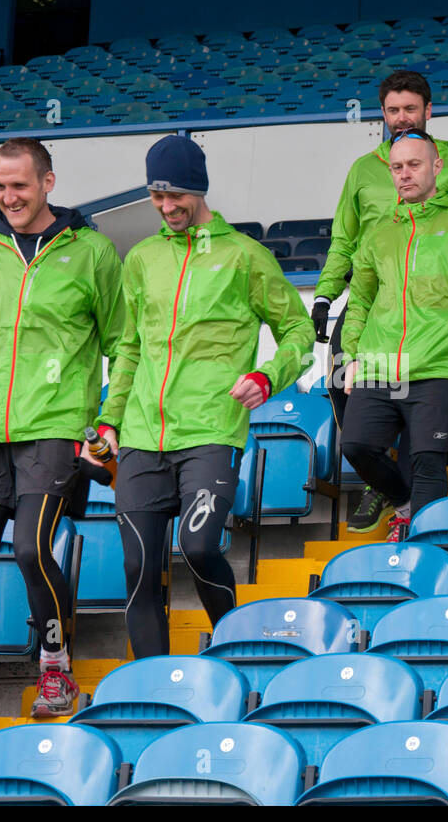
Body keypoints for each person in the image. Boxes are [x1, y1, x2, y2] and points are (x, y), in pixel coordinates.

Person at [0, 137, 127, 748]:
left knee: (32, 551)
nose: (9, 197)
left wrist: (109, 419)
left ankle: (55, 670)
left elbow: (126, 343)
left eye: (19, 184)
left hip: (57, 427)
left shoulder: (92, 253)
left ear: (48, 182)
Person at [95, 135, 312, 659]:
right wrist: (109, 420)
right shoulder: (142, 259)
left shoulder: (244, 256)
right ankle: (150, 683)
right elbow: (128, 348)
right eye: (156, 197)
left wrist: (266, 377)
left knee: (196, 547)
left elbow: (300, 335)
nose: (167, 208)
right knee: (138, 566)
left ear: (200, 189)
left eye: (177, 197)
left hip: (212, 431)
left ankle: (235, 646)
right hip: (143, 436)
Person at [311, 69, 448, 533]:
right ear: (382, 115)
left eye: (411, 109)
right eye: (392, 110)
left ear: (429, 110)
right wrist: (326, 293)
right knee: (344, 385)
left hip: (434, 302)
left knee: (422, 396)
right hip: (375, 295)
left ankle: (411, 495)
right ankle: (384, 480)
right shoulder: (363, 170)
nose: (401, 118)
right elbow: (344, 238)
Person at [341, 130, 448, 543]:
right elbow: (360, 299)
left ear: (437, 167)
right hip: (379, 363)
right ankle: (405, 505)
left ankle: (425, 551)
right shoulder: (378, 234)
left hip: (440, 363)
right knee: (357, 445)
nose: (404, 174)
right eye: (397, 168)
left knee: (427, 460)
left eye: (414, 165)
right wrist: (351, 356)